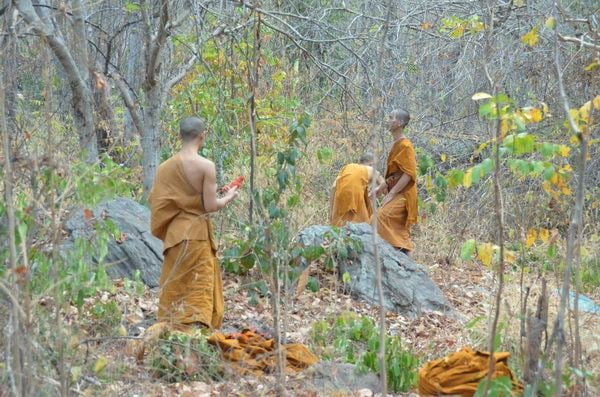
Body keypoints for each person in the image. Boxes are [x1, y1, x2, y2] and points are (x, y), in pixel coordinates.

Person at [149, 116, 238, 330]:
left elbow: (161, 203)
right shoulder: (206, 166)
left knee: (175, 290)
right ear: (202, 137)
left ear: (180, 136)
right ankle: (196, 341)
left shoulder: (164, 168)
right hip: (197, 236)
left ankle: (170, 338)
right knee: (198, 293)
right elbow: (210, 206)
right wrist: (228, 197)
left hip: (175, 237)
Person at [376, 109, 418, 254]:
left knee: (382, 216)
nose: (387, 120)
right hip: (396, 191)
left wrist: (391, 193)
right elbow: (397, 173)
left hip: (404, 194)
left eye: (391, 117)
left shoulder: (405, 145)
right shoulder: (396, 144)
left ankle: (402, 257)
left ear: (399, 123)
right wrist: (383, 186)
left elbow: (408, 174)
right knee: (381, 220)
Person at [329, 152, 386, 227]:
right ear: (372, 164)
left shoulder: (348, 167)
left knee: (340, 224)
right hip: (354, 195)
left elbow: (333, 187)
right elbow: (385, 185)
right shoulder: (371, 169)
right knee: (363, 225)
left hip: (340, 196)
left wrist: (331, 212)